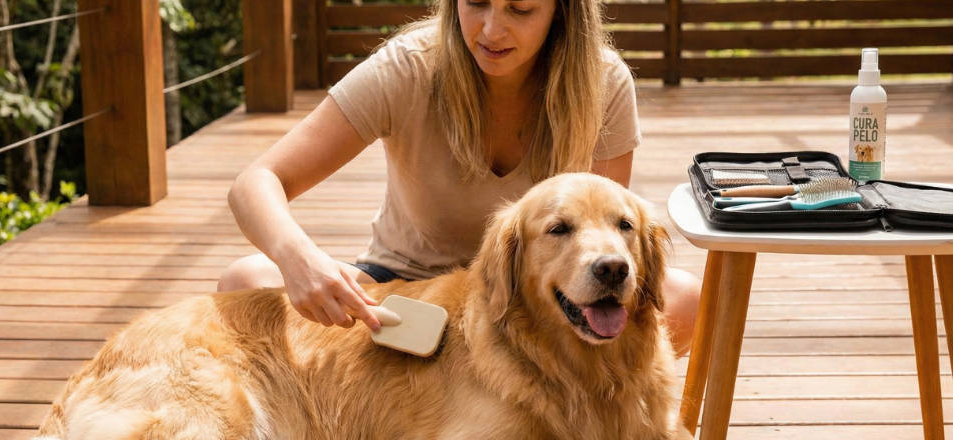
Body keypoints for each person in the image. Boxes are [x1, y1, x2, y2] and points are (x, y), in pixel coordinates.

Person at [219, 0, 700, 354]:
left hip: (528, 303)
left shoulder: (604, 82)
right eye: (476, 3)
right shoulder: (405, 67)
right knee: (246, 280)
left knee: (685, 300)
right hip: (403, 295)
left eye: (520, 9)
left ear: (561, 12)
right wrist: (299, 258)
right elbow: (255, 181)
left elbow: (608, 236)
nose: (492, 29)